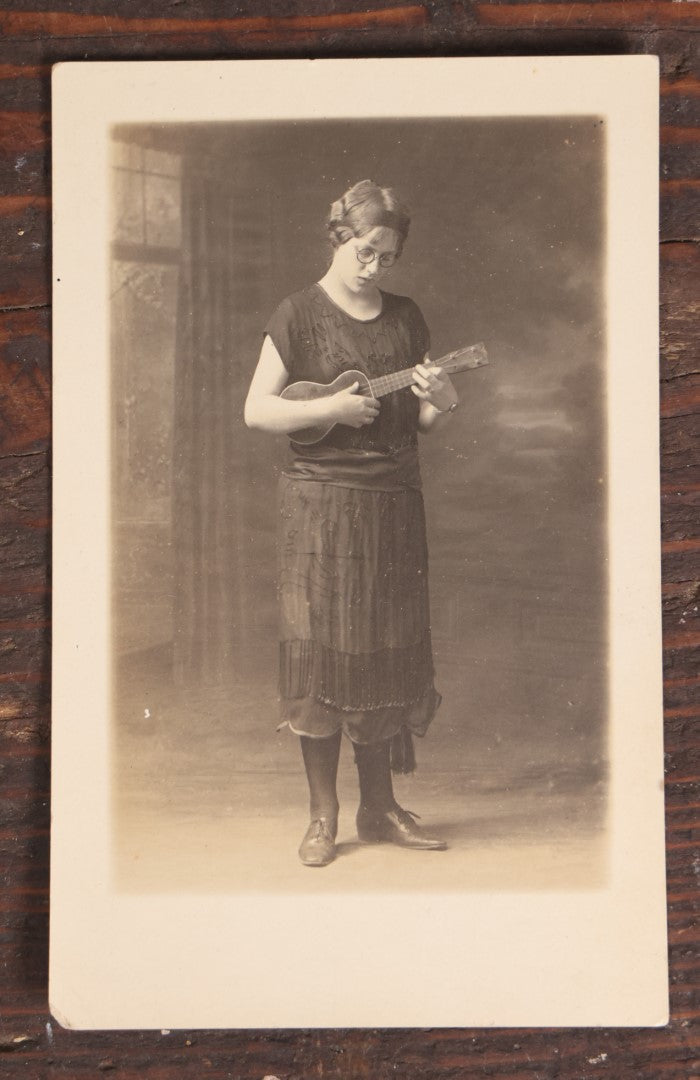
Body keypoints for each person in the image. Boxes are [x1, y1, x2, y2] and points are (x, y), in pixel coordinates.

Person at [244, 180, 460, 867]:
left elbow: (417, 420)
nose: (376, 267)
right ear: (340, 238)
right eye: (367, 250)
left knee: (383, 655)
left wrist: (443, 400)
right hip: (319, 511)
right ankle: (322, 815)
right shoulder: (299, 314)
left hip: (392, 507)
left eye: (388, 258)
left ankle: (379, 809)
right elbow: (257, 411)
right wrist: (328, 412)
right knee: (320, 656)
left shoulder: (406, 317)